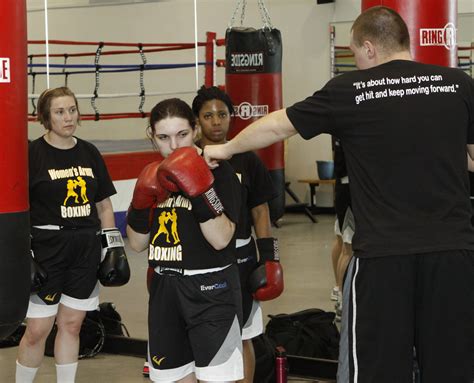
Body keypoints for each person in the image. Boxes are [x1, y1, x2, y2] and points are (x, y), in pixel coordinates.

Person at [204, 6, 474, 383]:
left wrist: (225, 149)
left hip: (383, 259)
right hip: (453, 254)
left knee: (379, 370)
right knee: (453, 368)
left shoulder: (351, 89)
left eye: (354, 52)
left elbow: (279, 125)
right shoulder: (458, 83)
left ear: (367, 47)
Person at [126, 98, 244, 383]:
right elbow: (138, 243)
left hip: (211, 289)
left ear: (195, 130)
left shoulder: (219, 171)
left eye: (182, 135)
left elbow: (222, 238)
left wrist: (200, 188)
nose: (175, 146)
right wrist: (141, 201)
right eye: (164, 137)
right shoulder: (153, 176)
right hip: (165, 289)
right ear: (152, 137)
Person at [17, 87, 126, 383]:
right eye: (60, 112)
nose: (68, 117)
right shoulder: (32, 154)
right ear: (45, 118)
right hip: (47, 247)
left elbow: (103, 205)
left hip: (85, 248)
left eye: (72, 110)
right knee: (38, 329)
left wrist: (112, 246)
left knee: (72, 324)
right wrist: (22, 252)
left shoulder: (89, 152)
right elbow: (18, 207)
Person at [192, 86, 283, 383]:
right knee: (201, 332)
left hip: (241, 256)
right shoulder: (188, 162)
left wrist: (269, 257)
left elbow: (260, 210)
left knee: (244, 333)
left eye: (222, 114)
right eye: (208, 116)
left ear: (231, 117)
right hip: (199, 258)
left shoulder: (246, 159)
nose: (216, 121)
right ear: (197, 121)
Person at [330, 137, 354, 321]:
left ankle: (338, 290)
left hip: (343, 189)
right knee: (349, 247)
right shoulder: (348, 129)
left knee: (340, 240)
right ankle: (343, 298)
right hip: (349, 190)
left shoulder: (337, 129)